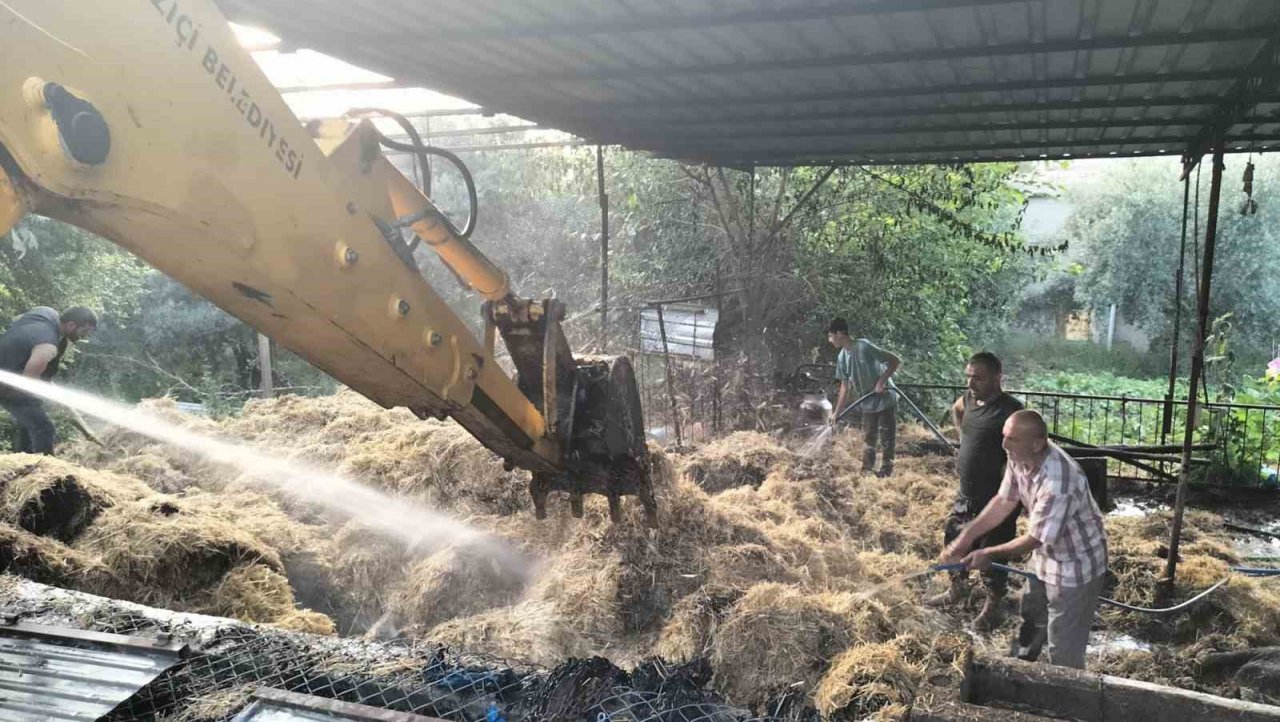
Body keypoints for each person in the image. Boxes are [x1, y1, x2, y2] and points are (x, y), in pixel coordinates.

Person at [940, 410, 1107, 669]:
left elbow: (1034, 540)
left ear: (1038, 443)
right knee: (1031, 615)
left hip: (1075, 565)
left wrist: (988, 554)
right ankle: (1021, 669)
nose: (1004, 444)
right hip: (1044, 557)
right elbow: (1004, 500)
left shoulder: (1058, 482)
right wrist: (965, 539)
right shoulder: (1020, 457)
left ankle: (1067, 694)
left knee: (1063, 642)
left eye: (1012, 439)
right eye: (1004, 436)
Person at [927, 352, 1023, 632]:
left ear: (997, 377)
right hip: (966, 493)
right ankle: (957, 590)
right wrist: (964, 438)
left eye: (978, 378)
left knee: (990, 554)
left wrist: (1010, 485)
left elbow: (1021, 453)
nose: (971, 383)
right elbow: (958, 410)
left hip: (996, 499)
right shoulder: (968, 400)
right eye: (968, 376)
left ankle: (993, 606)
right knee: (954, 540)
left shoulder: (1011, 411)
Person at [0, 306, 97, 454]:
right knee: (43, 428)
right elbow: (27, 383)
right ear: (71, 325)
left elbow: (18, 325)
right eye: (83, 332)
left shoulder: (45, 312)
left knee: (28, 422)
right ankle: (46, 472)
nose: (84, 337)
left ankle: (23, 462)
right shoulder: (47, 346)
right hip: (9, 381)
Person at [826, 317, 901, 477]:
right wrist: (837, 413)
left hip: (885, 397)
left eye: (831, 336)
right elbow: (845, 387)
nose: (829, 340)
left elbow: (894, 361)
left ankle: (887, 472)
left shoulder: (864, 346)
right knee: (869, 437)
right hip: (867, 400)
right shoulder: (842, 357)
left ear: (840, 333)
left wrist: (881, 381)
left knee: (887, 436)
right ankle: (867, 471)